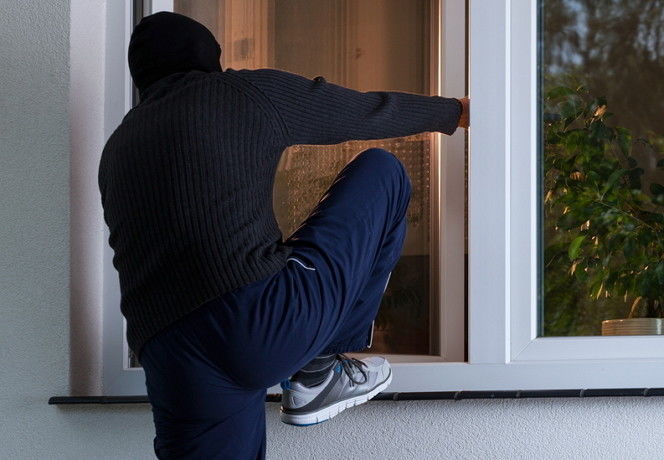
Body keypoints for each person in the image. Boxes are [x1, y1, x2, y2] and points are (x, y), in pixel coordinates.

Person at [98, 11, 469, 460]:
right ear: (209, 58)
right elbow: (359, 111)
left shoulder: (117, 147)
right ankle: (318, 370)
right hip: (256, 319)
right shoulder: (240, 93)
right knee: (382, 173)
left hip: (169, 354)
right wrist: (456, 111)